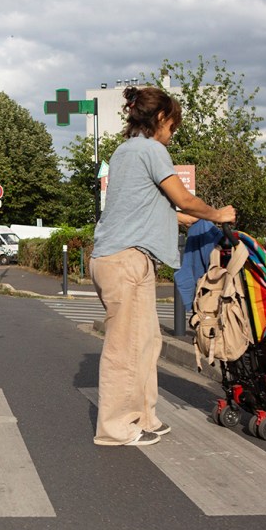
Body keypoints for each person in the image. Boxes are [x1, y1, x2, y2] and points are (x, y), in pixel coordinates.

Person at [90, 86, 235, 447]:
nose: (173, 134)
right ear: (159, 119)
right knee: (125, 347)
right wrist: (218, 214)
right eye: (172, 126)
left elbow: (149, 205)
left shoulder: (124, 152)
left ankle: (143, 416)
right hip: (126, 260)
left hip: (119, 257)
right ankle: (115, 428)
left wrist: (184, 219)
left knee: (146, 342)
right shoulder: (153, 150)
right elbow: (182, 197)